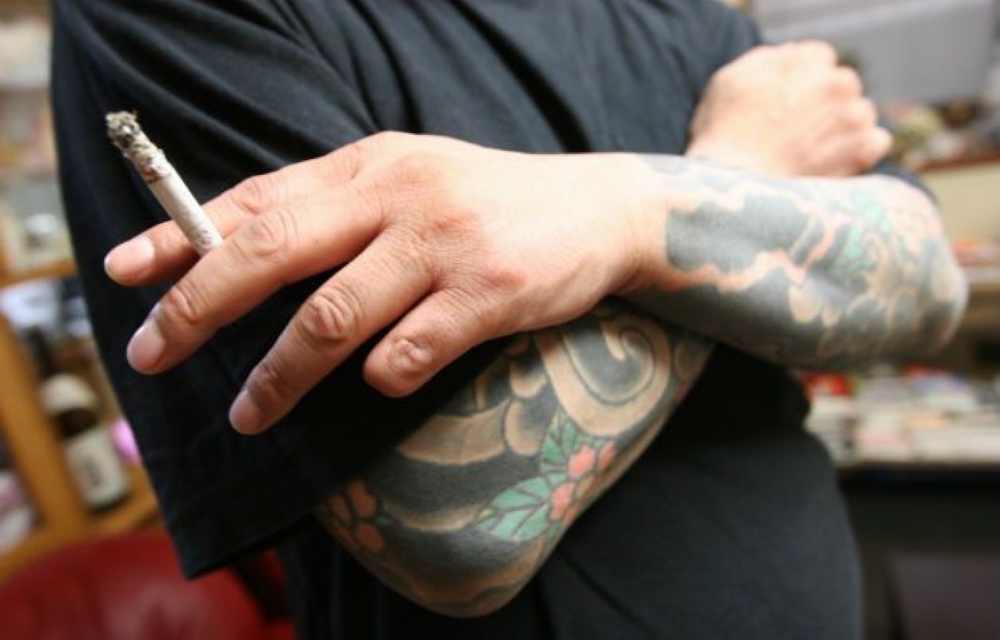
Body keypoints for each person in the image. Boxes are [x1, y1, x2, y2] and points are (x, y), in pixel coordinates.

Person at [51, 1, 966, 638]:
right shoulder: (178, 17)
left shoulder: (689, 20)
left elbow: (928, 284)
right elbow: (455, 528)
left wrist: (621, 215)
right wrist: (733, 167)